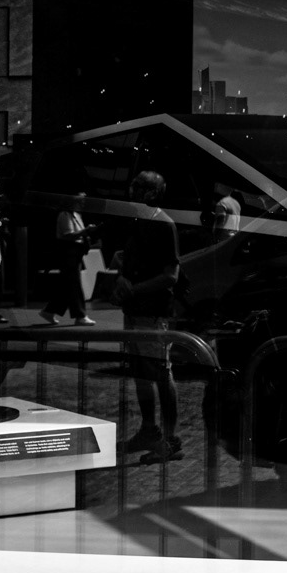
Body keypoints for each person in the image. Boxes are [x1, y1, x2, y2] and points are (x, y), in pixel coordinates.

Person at [113, 170, 183, 462]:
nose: (131, 189)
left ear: (152, 193)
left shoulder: (163, 224)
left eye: (138, 186)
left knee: (160, 374)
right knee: (143, 373)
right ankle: (150, 430)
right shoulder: (141, 221)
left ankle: (170, 439)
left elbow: (171, 275)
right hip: (137, 310)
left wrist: (135, 289)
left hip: (152, 312)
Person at [40, 192, 97, 326]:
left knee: (67, 286)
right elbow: (68, 235)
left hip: (76, 252)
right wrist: (86, 231)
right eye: (80, 201)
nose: (83, 203)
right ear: (73, 201)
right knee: (74, 284)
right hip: (68, 252)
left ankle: (49, 311)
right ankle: (80, 315)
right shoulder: (64, 214)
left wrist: (86, 236)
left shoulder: (77, 215)